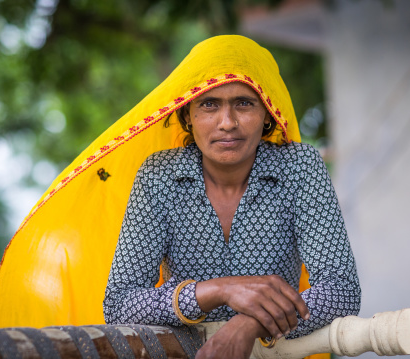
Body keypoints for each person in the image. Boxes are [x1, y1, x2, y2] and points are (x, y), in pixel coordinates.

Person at [103, 35, 361, 359]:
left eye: (244, 103)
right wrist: (219, 290)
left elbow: (342, 290)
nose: (227, 123)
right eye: (209, 104)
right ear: (187, 116)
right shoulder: (159, 177)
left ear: (267, 113)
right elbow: (120, 304)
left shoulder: (299, 168)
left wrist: (249, 324)